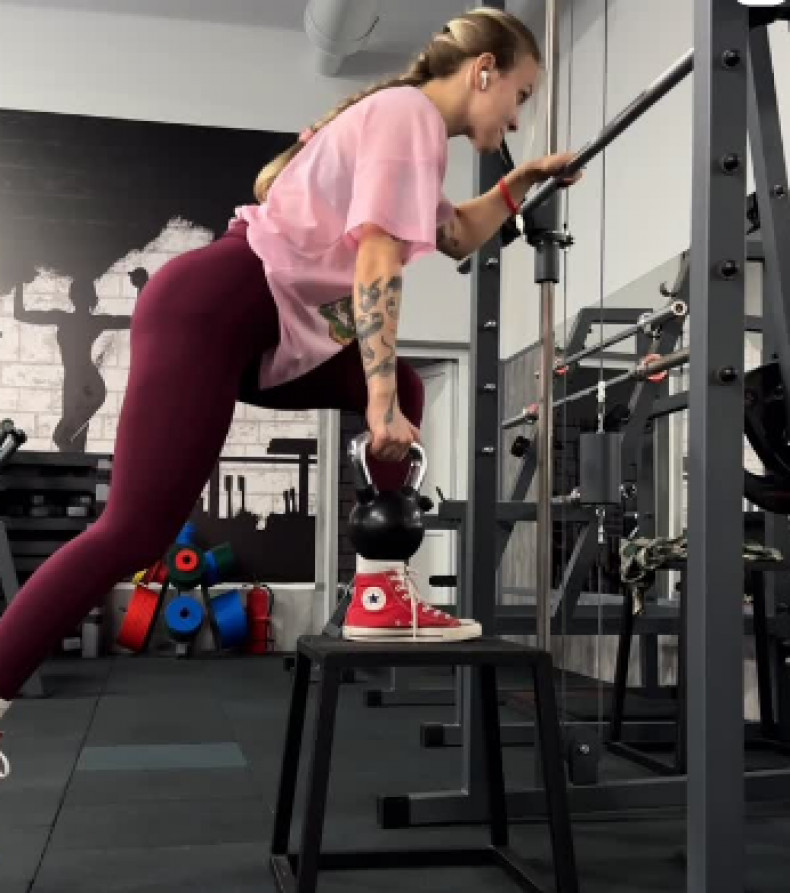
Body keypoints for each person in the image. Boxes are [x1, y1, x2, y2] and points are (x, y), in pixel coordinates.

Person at [0, 6, 581, 776]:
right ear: (484, 72)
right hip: (217, 309)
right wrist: (377, 401)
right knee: (133, 531)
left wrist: (518, 185)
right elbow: (378, 261)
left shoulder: (409, 133)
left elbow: (452, 235)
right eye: (521, 94)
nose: (517, 115)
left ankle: (380, 590)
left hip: (265, 329)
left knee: (408, 383)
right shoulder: (407, 116)